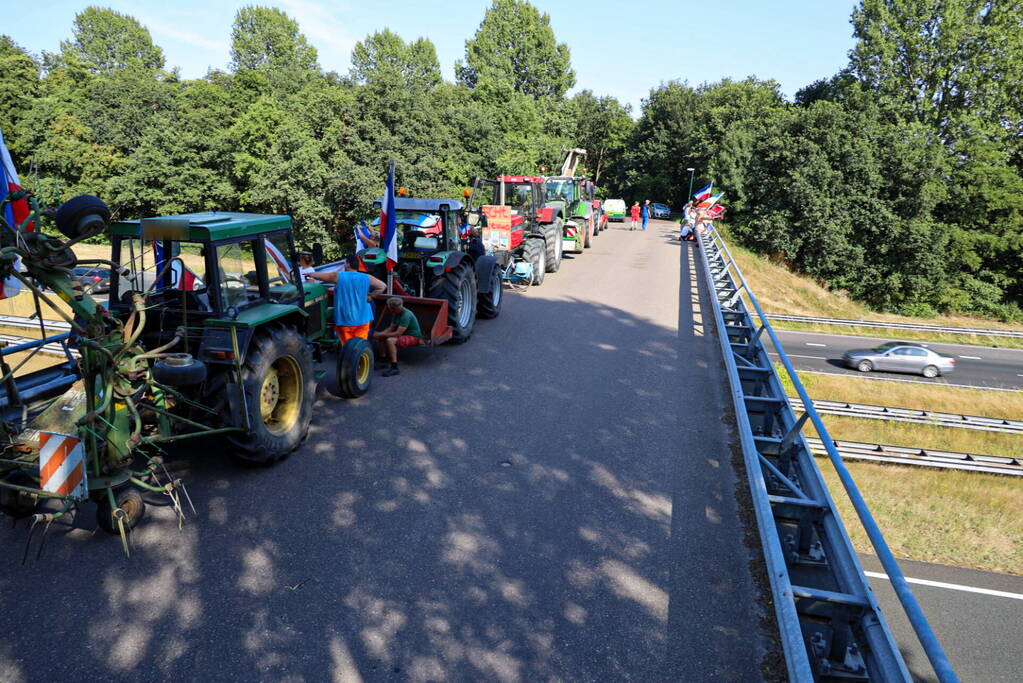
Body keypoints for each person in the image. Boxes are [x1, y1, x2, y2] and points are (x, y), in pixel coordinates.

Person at [307, 264, 386, 343]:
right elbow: (382, 286)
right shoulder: (367, 277)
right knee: (360, 347)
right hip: (363, 319)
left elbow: (320, 276)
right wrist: (371, 296)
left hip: (345, 320)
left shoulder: (338, 276)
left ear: (348, 265)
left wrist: (311, 274)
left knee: (347, 347)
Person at [372, 297, 425, 377]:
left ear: (394, 308)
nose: (389, 310)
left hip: (413, 337)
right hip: (403, 334)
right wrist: (380, 334)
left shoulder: (406, 315)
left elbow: (397, 334)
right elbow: (391, 328)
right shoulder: (396, 313)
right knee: (381, 338)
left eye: (390, 308)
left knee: (390, 340)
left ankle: (395, 367)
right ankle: (382, 361)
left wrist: (379, 334)